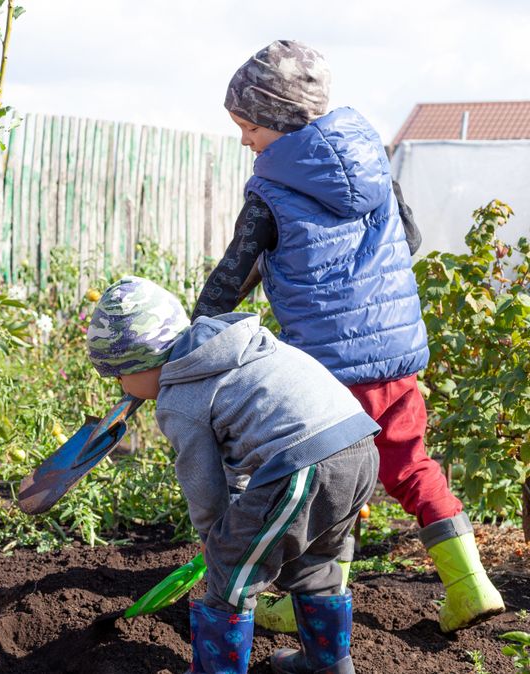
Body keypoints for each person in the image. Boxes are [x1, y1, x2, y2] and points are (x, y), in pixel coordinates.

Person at [193, 39, 503, 633]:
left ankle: (308, 598)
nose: (244, 141)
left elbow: (228, 282)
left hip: (329, 373)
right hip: (394, 357)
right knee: (408, 465)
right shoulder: (376, 168)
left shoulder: (269, 192)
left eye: (248, 127)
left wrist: (196, 339)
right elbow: (406, 241)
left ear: (278, 122)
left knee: (331, 484)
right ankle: (471, 584)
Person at [88, 276, 379, 674]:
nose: (122, 388)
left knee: (231, 569)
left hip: (303, 463)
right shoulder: (228, 346)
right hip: (358, 445)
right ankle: (327, 663)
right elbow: (240, 462)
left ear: (142, 360)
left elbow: (203, 483)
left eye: (118, 375)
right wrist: (239, 510)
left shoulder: (180, 397)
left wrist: (213, 539)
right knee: (313, 560)